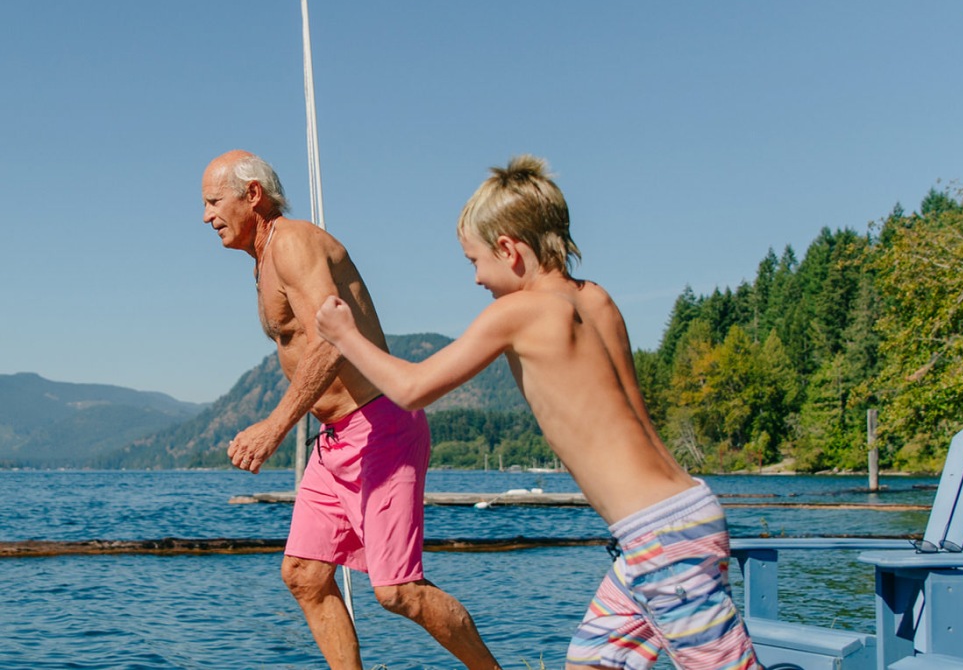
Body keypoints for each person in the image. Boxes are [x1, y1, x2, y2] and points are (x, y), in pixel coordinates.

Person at [315, 154, 761, 670]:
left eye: (475, 261)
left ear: (509, 249)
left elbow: (413, 388)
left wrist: (344, 336)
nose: (477, 278)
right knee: (591, 662)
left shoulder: (517, 312)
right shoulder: (596, 299)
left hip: (661, 538)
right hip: (673, 518)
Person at [200, 150, 501, 670]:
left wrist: (275, 426)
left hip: (380, 424)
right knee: (304, 574)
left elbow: (333, 340)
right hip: (336, 437)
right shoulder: (263, 258)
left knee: (398, 591)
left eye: (213, 201)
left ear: (253, 195)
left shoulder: (293, 243)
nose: (207, 215)